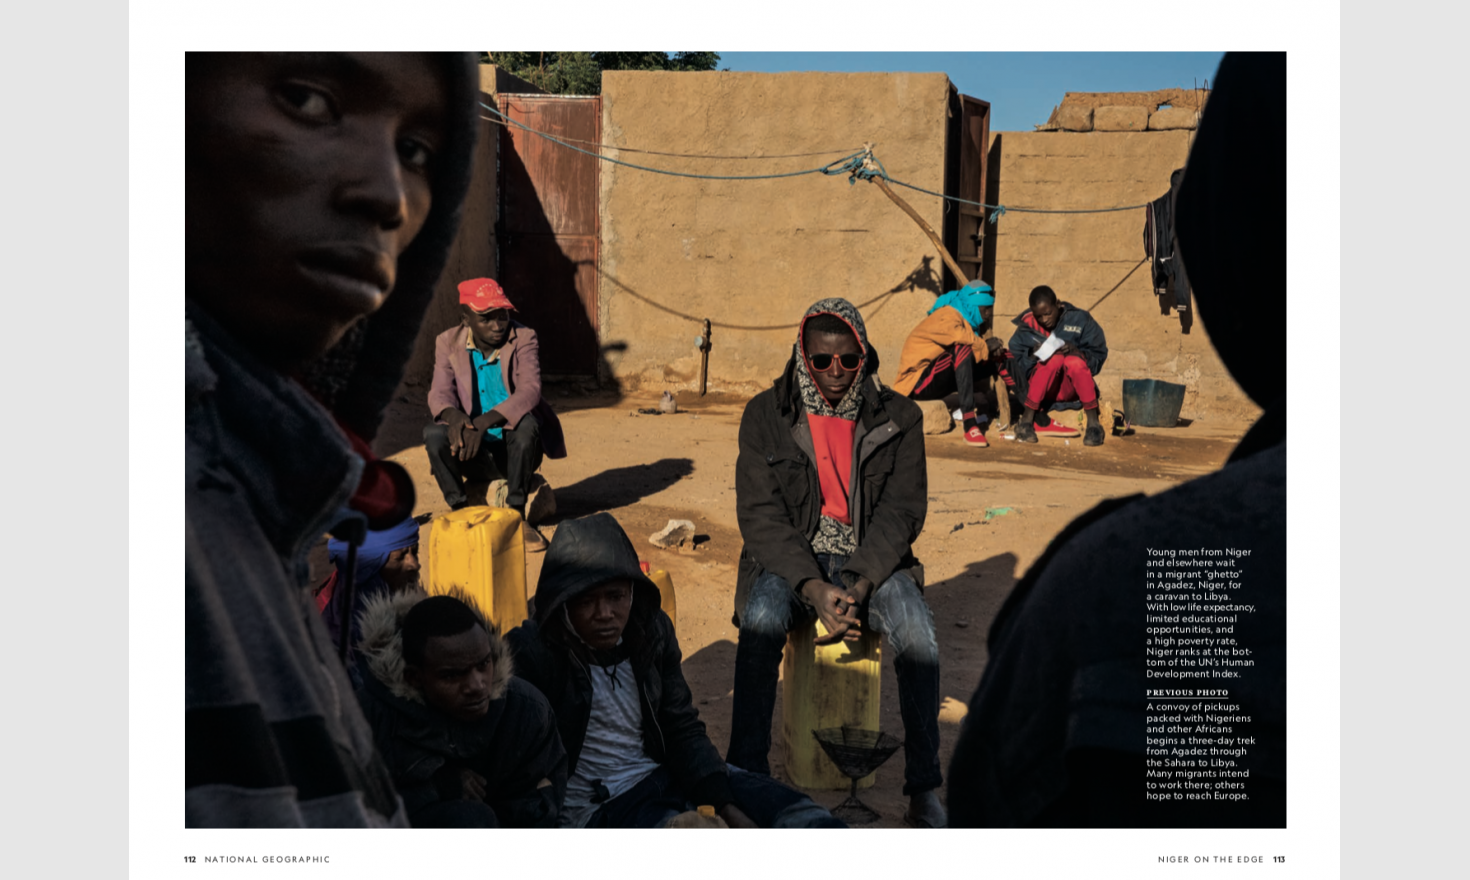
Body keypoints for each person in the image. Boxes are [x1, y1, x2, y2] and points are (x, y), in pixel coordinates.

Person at [946, 51, 1286, 828]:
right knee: (1030, 378)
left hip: (1072, 380)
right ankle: (1031, 422)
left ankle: (1082, 420)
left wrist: (1068, 363)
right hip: (1031, 387)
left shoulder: (1135, 577)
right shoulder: (1017, 330)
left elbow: (992, 806)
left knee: (1068, 370)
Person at [185, 52, 480, 827]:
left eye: (417, 151)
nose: (386, 195)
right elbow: (445, 398)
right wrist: (459, 422)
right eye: (307, 100)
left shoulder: (259, 500)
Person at [726, 298, 946, 828]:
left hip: (870, 560)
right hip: (792, 559)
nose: (835, 373)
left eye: (848, 360)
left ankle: (923, 789)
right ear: (803, 354)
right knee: (760, 621)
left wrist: (861, 580)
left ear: (863, 356)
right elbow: (760, 516)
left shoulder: (900, 417)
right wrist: (809, 584)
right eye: (821, 361)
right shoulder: (765, 415)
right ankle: (744, 774)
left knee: (917, 634)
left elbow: (902, 511)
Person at [506, 513, 845, 829]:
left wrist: (725, 804)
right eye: (585, 601)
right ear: (562, 602)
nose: (604, 612)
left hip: (665, 774)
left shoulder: (649, 630)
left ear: (632, 593)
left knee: (805, 816)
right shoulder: (534, 652)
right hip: (601, 807)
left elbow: (680, 727)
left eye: (616, 596)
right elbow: (482, 720)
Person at [354, 590, 567, 828]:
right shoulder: (370, 716)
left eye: (484, 663)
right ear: (414, 677)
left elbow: (538, 814)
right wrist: (435, 789)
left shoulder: (526, 710)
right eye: (453, 675)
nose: (477, 686)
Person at [424, 277, 567, 552]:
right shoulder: (447, 342)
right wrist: (455, 418)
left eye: (502, 315)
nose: (497, 324)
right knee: (434, 434)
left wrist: (483, 422)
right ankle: (460, 510)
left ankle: (516, 516)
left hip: (516, 451)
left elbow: (529, 391)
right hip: (472, 452)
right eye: (486, 318)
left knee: (526, 425)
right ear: (465, 319)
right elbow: (439, 392)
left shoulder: (524, 337)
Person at [314, 515, 422, 687]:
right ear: (369, 565)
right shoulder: (350, 635)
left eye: (415, 552)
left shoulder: (398, 595)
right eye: (400, 558)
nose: (415, 564)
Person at [891, 281, 998, 447]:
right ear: (974, 306)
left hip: (933, 382)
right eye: (986, 309)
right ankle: (969, 424)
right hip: (916, 385)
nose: (989, 314)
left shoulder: (965, 321)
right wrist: (985, 346)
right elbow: (962, 339)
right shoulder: (948, 315)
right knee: (963, 349)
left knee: (1001, 357)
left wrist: (992, 351)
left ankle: (1034, 416)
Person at [1007, 285, 1109, 446]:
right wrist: (1033, 355)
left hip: (1071, 389)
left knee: (1072, 360)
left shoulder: (1080, 320)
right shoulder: (1027, 327)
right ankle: (1026, 421)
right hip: (1041, 390)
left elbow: (1098, 355)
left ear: (1058, 304)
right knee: (1054, 359)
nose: (1044, 320)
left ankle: (1093, 424)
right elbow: (1015, 367)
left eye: (1048, 313)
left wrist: (1078, 352)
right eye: (1039, 316)